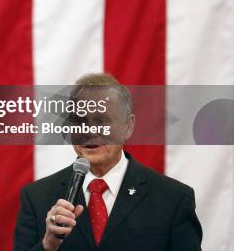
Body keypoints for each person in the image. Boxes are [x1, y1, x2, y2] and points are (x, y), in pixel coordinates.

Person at [12, 73, 202, 251]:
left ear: (128, 127)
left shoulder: (174, 198)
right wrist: (47, 245)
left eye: (101, 121)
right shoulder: (36, 197)